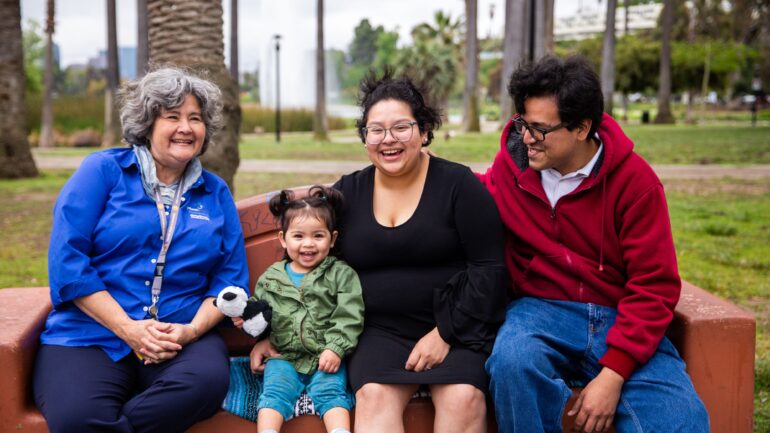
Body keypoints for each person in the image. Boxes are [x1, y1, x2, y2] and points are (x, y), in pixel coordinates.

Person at [251, 69, 508, 433]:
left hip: (456, 328)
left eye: (402, 127)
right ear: (365, 137)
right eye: (376, 130)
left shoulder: (458, 186)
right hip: (377, 330)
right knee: (372, 397)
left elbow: (490, 270)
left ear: (423, 130)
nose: (389, 139)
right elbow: (302, 263)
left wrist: (445, 334)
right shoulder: (347, 194)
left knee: (463, 398)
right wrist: (271, 334)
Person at [478, 55, 709, 433]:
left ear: (582, 127)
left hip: (619, 314)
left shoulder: (636, 183)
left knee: (681, 418)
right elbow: (475, 195)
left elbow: (655, 285)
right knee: (512, 361)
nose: (526, 138)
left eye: (539, 129)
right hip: (538, 311)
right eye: (522, 123)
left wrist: (614, 373)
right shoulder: (514, 165)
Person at [33, 67, 249, 433]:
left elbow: (229, 280)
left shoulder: (215, 192)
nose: (186, 127)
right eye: (172, 116)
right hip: (92, 333)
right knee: (77, 418)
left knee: (205, 384)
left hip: (179, 335)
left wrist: (192, 332)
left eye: (195, 119)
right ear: (148, 123)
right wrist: (128, 328)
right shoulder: (102, 171)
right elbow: (68, 261)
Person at [237, 185, 364, 433]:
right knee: (274, 392)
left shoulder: (341, 274)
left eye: (318, 236)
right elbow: (262, 314)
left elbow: (349, 315)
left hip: (325, 356)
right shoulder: (271, 278)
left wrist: (335, 348)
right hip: (283, 355)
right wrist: (254, 332)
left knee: (331, 392)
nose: (308, 244)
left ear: (333, 238)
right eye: (298, 236)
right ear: (283, 239)